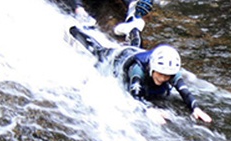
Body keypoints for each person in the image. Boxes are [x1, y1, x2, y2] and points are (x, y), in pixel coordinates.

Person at [68, 26, 213, 123]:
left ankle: (134, 29)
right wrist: (149, 109)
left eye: (167, 76)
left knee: (137, 46)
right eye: (160, 74)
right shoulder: (137, 70)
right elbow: (134, 95)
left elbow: (184, 91)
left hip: (138, 53)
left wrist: (196, 108)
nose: (163, 79)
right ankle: (72, 30)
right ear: (152, 68)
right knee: (97, 51)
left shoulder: (171, 72)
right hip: (118, 58)